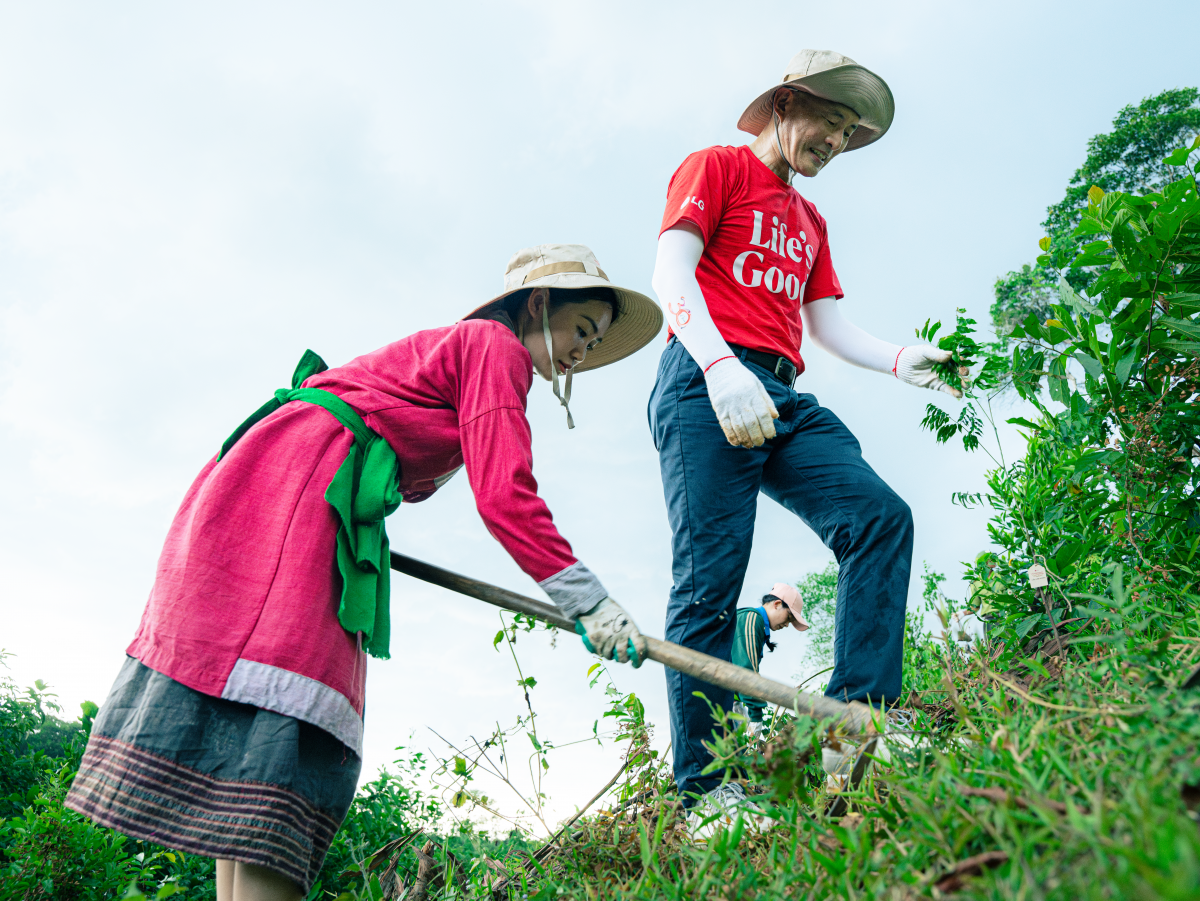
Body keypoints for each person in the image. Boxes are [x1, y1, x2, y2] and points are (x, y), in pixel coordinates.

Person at [65, 244, 663, 901]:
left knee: (260, 732)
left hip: (271, 483)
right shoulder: (497, 348)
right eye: (582, 329)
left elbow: (421, 471)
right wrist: (590, 602)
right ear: (539, 304)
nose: (584, 351)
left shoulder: (465, 355)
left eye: (595, 343)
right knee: (289, 707)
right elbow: (505, 496)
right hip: (295, 495)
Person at [646, 49, 962, 822]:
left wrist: (899, 359)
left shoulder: (810, 220)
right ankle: (704, 791)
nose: (837, 142)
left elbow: (826, 326)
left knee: (880, 516)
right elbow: (671, 273)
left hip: (782, 392)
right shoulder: (717, 167)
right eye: (831, 121)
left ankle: (853, 720)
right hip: (705, 380)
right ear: (786, 104)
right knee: (709, 584)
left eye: (850, 133)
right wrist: (720, 366)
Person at [730, 583, 809, 736]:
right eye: (789, 617)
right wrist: (755, 714)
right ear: (777, 604)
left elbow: (733, 664)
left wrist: (736, 701)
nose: (787, 625)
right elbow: (746, 671)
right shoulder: (752, 619)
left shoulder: (758, 626)